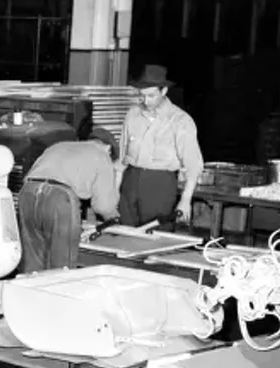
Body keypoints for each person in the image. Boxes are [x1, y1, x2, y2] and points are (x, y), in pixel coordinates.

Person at [18, 126, 119, 273]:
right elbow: (103, 206)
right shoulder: (102, 156)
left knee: (32, 260)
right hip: (59, 198)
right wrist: (113, 219)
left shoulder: (59, 146)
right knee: (62, 263)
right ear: (108, 148)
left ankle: (29, 293)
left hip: (28, 192)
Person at [118, 64, 204, 226]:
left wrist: (185, 200)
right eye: (141, 96)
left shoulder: (180, 121)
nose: (145, 100)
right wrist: (115, 192)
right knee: (124, 233)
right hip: (131, 180)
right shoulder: (132, 115)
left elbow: (193, 165)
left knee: (155, 235)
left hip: (160, 184)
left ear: (164, 91)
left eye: (151, 96)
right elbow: (121, 159)